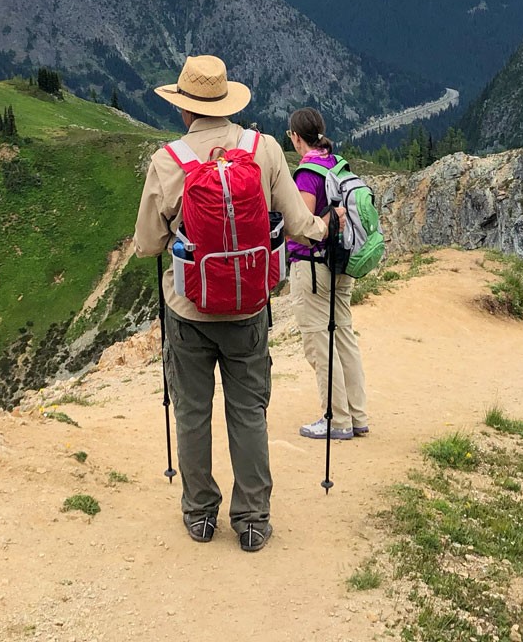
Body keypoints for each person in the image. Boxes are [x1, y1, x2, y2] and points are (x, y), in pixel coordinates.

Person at [133, 55, 331, 553]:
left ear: (184, 110)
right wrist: (328, 226)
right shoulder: (263, 149)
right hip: (247, 307)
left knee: (193, 412)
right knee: (248, 412)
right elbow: (299, 220)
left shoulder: (167, 161)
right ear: (227, 103)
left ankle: (200, 513)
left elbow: (148, 244)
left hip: (188, 310)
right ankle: (252, 519)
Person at [285, 107, 370, 443]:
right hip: (341, 260)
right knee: (344, 336)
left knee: (319, 342)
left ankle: (335, 419)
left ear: (295, 136)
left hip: (312, 266)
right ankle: (357, 414)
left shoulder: (307, 173)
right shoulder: (336, 164)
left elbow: (303, 225)